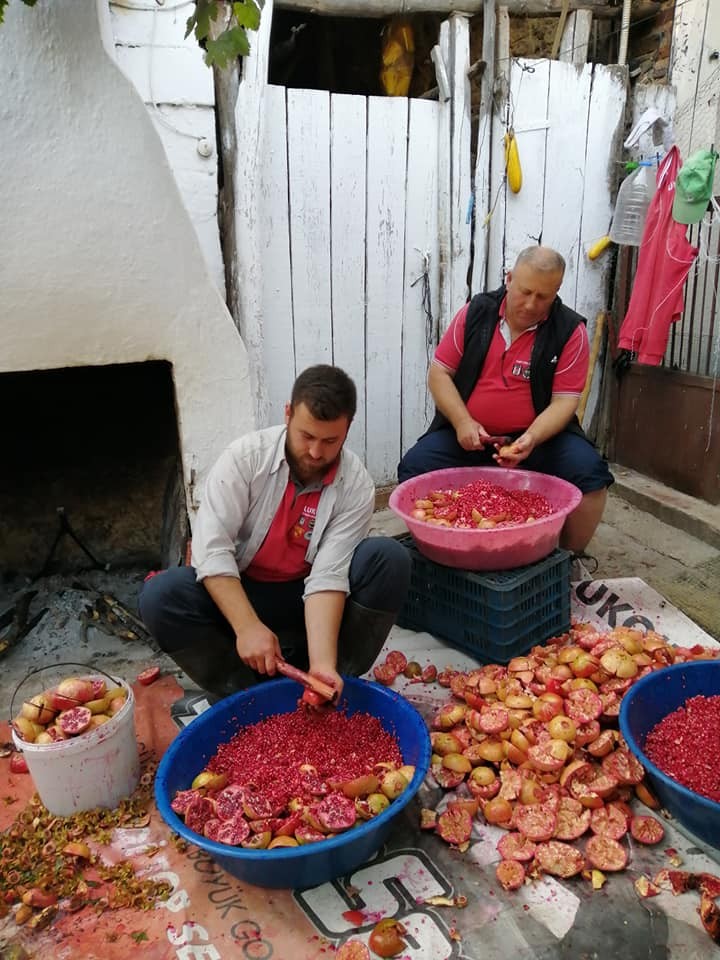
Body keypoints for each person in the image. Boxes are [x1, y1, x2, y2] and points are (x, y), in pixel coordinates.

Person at [140, 364, 411, 700]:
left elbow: (328, 576)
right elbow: (212, 551)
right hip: (245, 591)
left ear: (348, 428)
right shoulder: (244, 460)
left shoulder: (355, 485)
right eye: (306, 436)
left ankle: (330, 682)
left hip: (307, 597)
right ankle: (245, 693)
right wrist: (247, 627)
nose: (315, 452)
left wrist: (322, 663)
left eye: (330, 441)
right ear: (287, 414)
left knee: (387, 558)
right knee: (160, 596)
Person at [397, 246, 613, 554]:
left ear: (556, 292)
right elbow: (439, 374)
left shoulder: (569, 330)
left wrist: (531, 438)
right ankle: (441, 550)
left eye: (543, 296)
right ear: (509, 279)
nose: (531, 304)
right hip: (469, 435)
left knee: (591, 476)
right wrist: (462, 422)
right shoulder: (475, 313)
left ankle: (567, 561)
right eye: (525, 291)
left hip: (539, 439)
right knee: (414, 469)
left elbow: (565, 402)